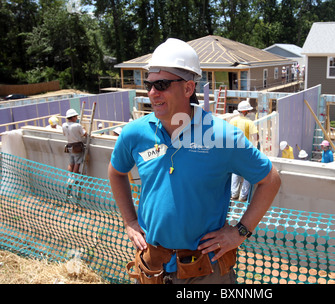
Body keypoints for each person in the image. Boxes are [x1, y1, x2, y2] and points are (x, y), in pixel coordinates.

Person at [108, 38, 281, 284]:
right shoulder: (135, 133)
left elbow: (270, 180)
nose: (152, 93)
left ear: (188, 88)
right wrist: (130, 221)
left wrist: (240, 231)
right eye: (149, 85)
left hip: (205, 272)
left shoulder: (222, 136)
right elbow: (116, 173)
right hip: (152, 268)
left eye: (162, 84)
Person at [230, 100, 259, 201]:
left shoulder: (232, 121)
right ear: (245, 111)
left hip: (234, 151)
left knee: (235, 172)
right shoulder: (249, 123)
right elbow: (256, 137)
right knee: (247, 172)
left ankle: (234, 194)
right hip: (245, 151)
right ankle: (243, 196)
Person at [62, 109, 86, 174]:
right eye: (75, 116)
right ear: (72, 117)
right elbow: (84, 134)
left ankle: (70, 178)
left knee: (71, 163)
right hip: (77, 147)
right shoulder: (77, 125)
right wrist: (83, 129)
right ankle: (74, 178)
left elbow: (64, 134)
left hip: (69, 146)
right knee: (77, 163)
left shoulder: (64, 125)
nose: (76, 118)